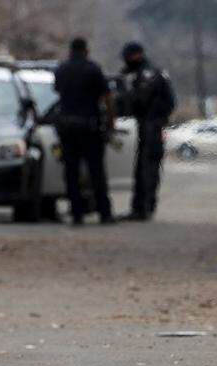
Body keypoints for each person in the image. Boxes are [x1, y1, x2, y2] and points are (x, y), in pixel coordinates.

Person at [53, 37, 115, 226]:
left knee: (71, 172)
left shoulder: (61, 69)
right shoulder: (93, 69)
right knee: (96, 171)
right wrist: (111, 124)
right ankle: (104, 213)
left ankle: (77, 213)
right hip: (90, 128)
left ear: (70, 51)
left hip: (67, 129)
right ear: (86, 50)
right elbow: (107, 98)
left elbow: (57, 92)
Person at [118, 42, 176, 220]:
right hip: (146, 127)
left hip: (149, 128)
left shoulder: (148, 76)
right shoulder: (148, 74)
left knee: (147, 169)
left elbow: (136, 102)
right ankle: (142, 207)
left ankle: (143, 208)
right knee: (145, 169)